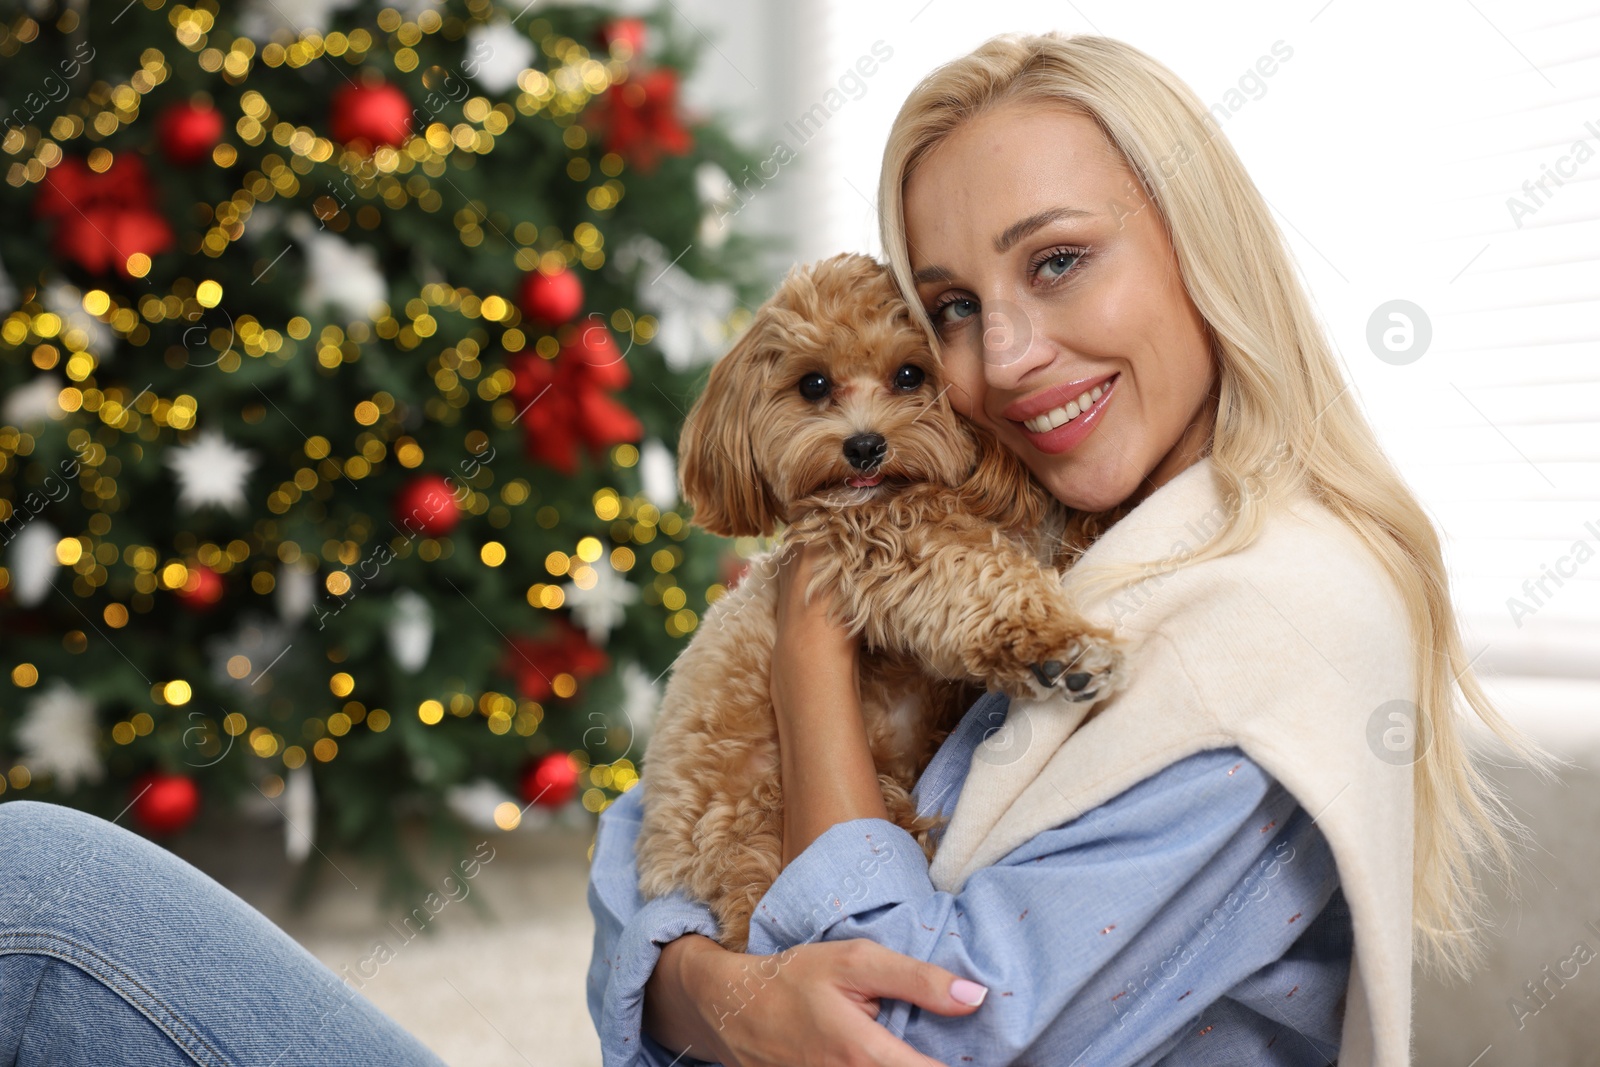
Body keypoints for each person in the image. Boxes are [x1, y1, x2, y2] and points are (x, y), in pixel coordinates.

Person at [586, 32, 1547, 1067]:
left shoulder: (1275, 622)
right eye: (953, 307)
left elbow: (892, 1036)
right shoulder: (1057, 533)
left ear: (1200, 244)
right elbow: (632, 863)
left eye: (1058, 261)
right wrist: (704, 987)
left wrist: (811, 644)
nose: (1004, 356)